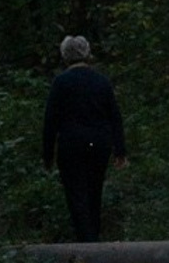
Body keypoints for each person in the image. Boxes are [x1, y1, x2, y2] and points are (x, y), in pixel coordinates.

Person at [42, 35, 126, 241]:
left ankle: (85, 240)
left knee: (76, 192)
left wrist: (47, 154)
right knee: (94, 190)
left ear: (65, 55)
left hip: (71, 144)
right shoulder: (101, 81)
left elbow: (50, 120)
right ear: (87, 53)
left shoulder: (61, 82)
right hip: (99, 143)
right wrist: (120, 149)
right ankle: (93, 238)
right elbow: (115, 116)